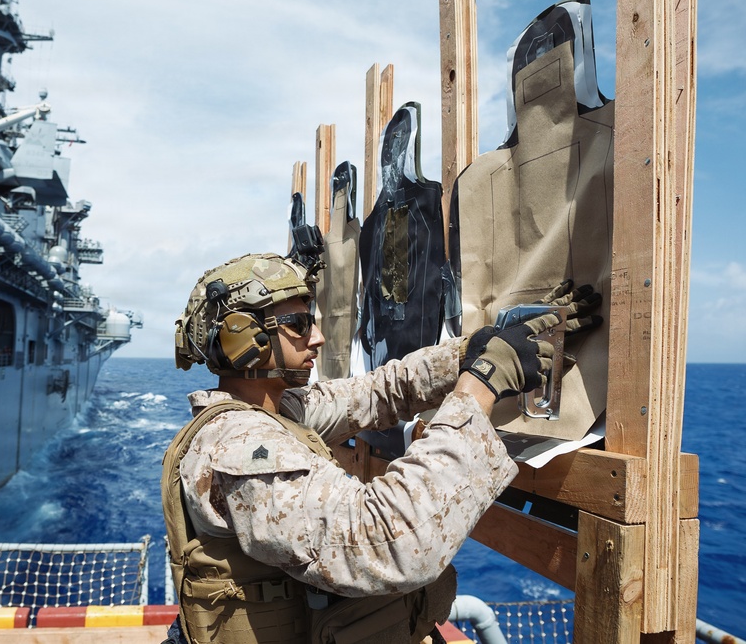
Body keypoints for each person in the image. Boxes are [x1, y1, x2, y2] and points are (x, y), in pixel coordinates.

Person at [162, 253, 599, 644]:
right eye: (297, 324)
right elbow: (385, 542)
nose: (316, 337)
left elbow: (377, 392)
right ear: (244, 341)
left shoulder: (278, 411)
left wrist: (474, 350)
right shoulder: (241, 444)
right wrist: (481, 386)